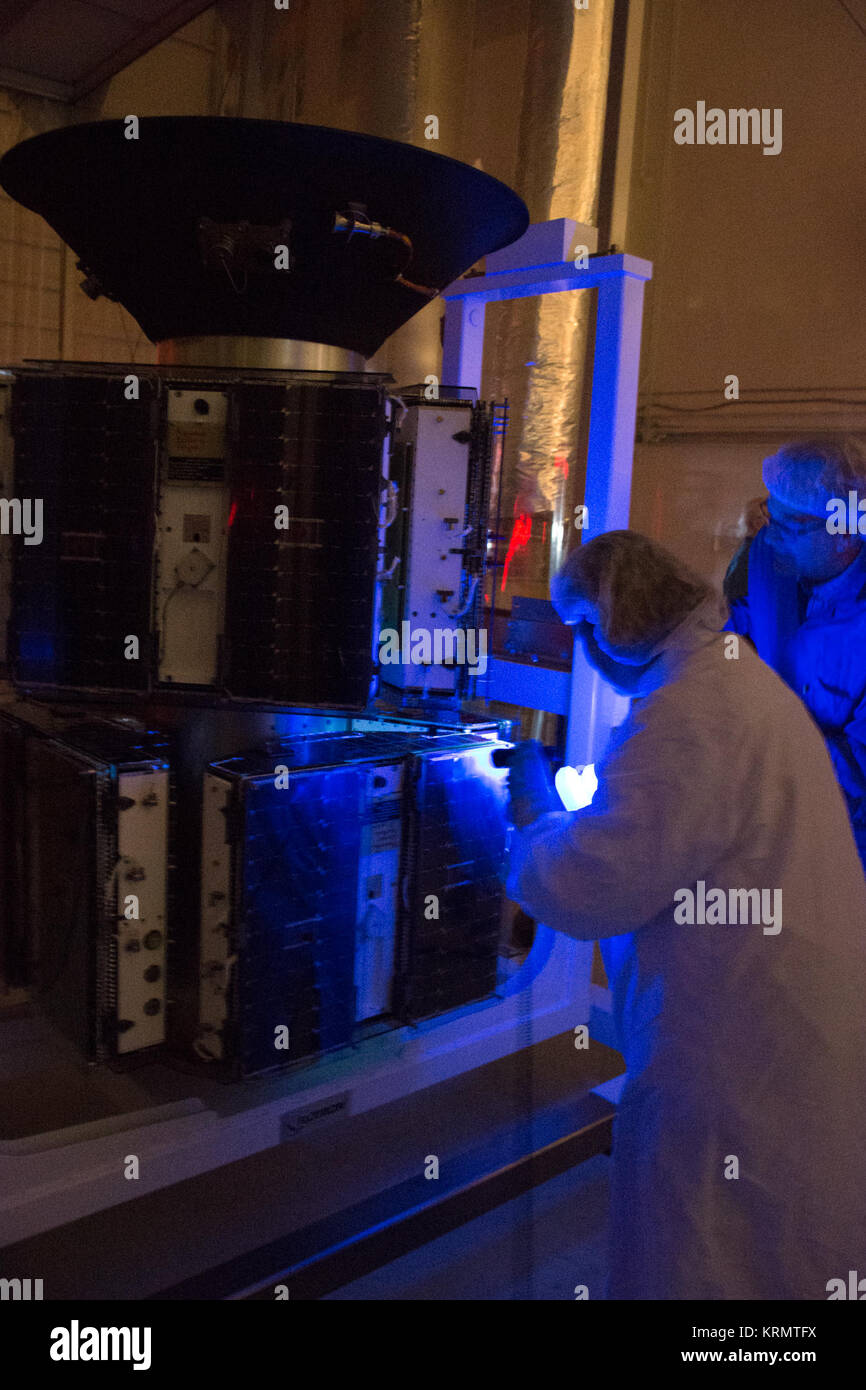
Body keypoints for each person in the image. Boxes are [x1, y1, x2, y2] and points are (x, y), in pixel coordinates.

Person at [504, 529, 866, 1300]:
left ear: (609, 628)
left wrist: (532, 812)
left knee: (709, 1243)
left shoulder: (687, 715)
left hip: (738, 1045)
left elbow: (591, 885)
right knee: (773, 1245)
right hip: (792, 1023)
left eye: (581, 632)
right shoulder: (733, 682)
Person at [727, 437, 866, 870]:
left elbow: (856, 771)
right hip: (763, 824)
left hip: (845, 851)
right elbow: (731, 640)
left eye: (793, 526)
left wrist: (757, 748)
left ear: (845, 534)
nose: (774, 535)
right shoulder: (767, 557)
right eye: (772, 514)